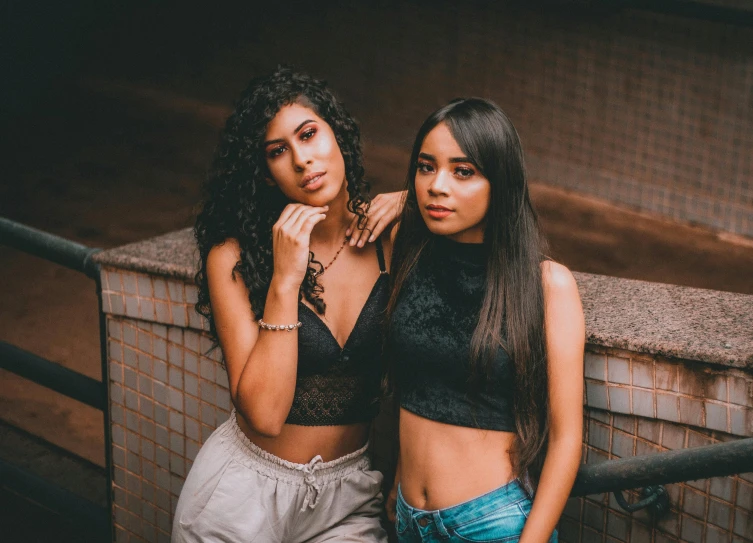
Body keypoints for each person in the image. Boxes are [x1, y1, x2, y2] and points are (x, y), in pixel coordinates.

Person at [172, 67, 402, 542]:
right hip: (243, 498)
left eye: (309, 134)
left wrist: (415, 202)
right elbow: (265, 414)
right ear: (267, 174)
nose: (302, 160)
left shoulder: (389, 240)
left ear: (337, 134)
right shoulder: (235, 257)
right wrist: (284, 281)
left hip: (349, 500)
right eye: (278, 151)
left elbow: (499, 226)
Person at [385, 98, 585, 543]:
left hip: (492, 524)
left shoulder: (547, 285)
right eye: (425, 166)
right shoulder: (410, 252)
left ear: (501, 182)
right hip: (407, 519)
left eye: (463, 171)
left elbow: (568, 439)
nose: (437, 186)